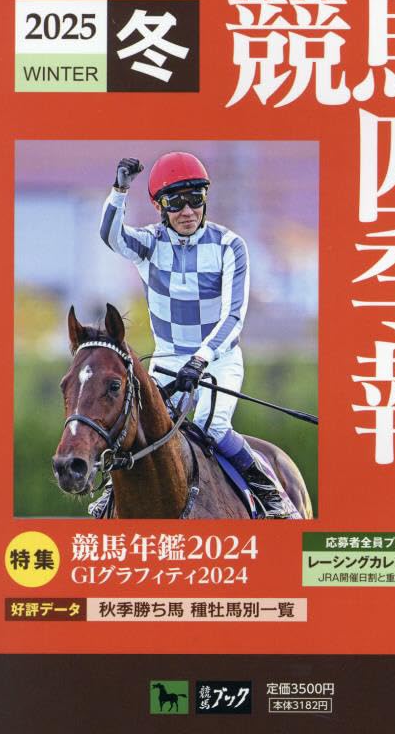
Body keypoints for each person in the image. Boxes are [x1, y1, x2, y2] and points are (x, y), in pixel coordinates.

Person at [99, 152, 291, 517]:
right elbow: (110, 236)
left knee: (210, 426)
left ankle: (271, 496)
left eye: (195, 198)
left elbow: (233, 316)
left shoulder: (230, 245)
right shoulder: (150, 243)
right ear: (159, 207)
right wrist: (119, 191)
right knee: (138, 427)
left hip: (218, 359)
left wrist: (201, 359)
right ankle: (112, 493)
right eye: (175, 202)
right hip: (167, 359)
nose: (187, 211)